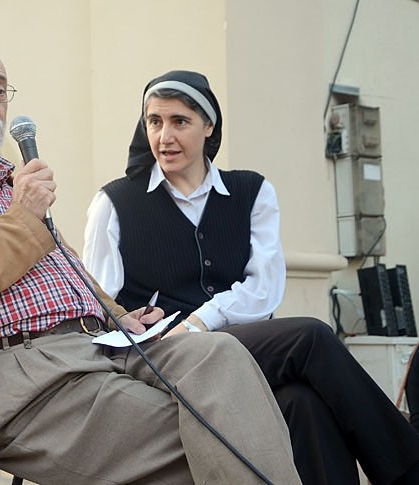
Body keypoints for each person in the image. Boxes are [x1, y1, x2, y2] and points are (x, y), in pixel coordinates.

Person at [0, 39, 302, 485]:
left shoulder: (10, 181)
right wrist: (21, 219)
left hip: (99, 344)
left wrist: (122, 315)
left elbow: (69, 274)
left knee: (222, 355)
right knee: (204, 432)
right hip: (18, 373)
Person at [83, 69, 419, 485]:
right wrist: (128, 318)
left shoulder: (251, 192)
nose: (164, 136)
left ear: (209, 126)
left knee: (302, 401)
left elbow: (264, 290)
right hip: (164, 358)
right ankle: (410, 471)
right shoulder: (114, 203)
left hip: (237, 348)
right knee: (312, 338)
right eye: (154, 121)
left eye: (179, 122)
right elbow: (94, 302)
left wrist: (197, 323)